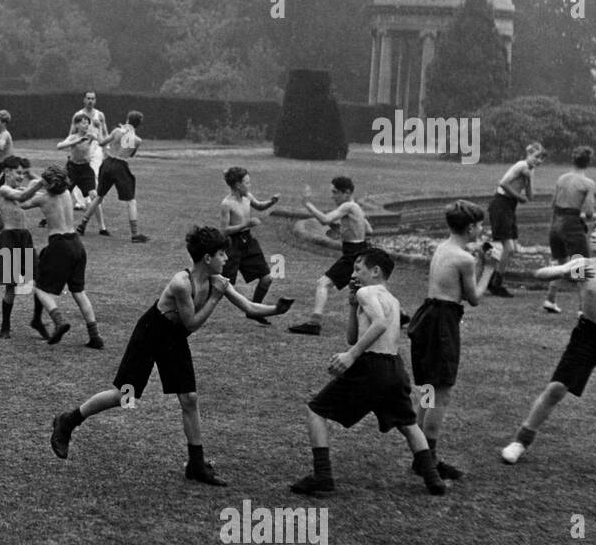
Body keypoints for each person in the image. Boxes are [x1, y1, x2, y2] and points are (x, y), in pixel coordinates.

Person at [50, 225, 293, 483]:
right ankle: (68, 421)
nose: (227, 259)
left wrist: (276, 309)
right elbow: (191, 324)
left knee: (189, 397)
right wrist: (214, 300)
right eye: (222, 254)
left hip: (173, 338)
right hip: (151, 333)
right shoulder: (181, 283)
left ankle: (196, 465)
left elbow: (249, 307)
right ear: (207, 258)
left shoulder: (216, 281)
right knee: (125, 396)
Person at [289, 248, 446, 497]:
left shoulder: (366, 291)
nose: (353, 274)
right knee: (407, 423)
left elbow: (379, 325)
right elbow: (353, 337)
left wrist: (351, 356)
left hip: (370, 366)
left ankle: (322, 476)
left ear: (375, 271)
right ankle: (433, 478)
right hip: (395, 368)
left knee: (315, 411)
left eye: (358, 269)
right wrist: (353, 306)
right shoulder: (390, 299)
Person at [501, 217, 596, 465]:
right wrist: (563, 270)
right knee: (556, 388)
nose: (593, 235)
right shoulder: (584, 267)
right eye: (593, 232)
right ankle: (520, 441)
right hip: (587, 335)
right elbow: (540, 274)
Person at [407, 200, 499, 480]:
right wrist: (490, 268)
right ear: (470, 227)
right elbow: (474, 298)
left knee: (429, 389)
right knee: (441, 391)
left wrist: (479, 258)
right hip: (443, 322)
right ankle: (428, 461)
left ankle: (423, 457)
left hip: (427, 316)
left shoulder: (444, 247)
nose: (482, 229)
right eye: (480, 225)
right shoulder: (465, 259)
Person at [7, 163, 103, 347]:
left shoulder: (43, 199)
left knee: (40, 289)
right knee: (79, 292)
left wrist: (28, 187)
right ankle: (95, 336)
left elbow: (22, 202)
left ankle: (59, 322)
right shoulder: (66, 194)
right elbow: (43, 194)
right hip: (77, 244)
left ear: (46, 183)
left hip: (59, 246)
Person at [289, 175, 372, 335]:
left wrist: (307, 204)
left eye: (335, 192)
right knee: (366, 289)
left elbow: (325, 219)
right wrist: (345, 229)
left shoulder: (348, 206)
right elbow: (369, 230)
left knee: (323, 283)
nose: (332, 196)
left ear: (346, 192)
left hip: (352, 253)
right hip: (361, 250)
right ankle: (401, 315)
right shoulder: (355, 207)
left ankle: (314, 323)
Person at [218, 166, 280, 324]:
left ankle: (254, 311)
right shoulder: (227, 204)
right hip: (232, 245)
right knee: (222, 285)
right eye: (247, 182)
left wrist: (271, 202)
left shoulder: (247, 196)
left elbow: (259, 205)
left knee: (266, 278)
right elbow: (224, 231)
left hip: (248, 242)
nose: (250, 185)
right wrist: (245, 224)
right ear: (238, 185)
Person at [79, 110, 149, 243]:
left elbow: (101, 143)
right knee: (131, 201)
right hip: (121, 166)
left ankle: (81, 225)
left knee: (99, 196)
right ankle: (134, 235)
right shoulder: (137, 140)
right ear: (139, 124)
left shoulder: (117, 131)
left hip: (108, 163)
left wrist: (98, 129)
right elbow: (131, 154)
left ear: (127, 120)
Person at [486, 142, 544, 297]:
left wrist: (529, 179)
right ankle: (495, 282)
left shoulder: (529, 170)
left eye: (540, 158)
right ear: (528, 154)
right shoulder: (520, 165)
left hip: (510, 207)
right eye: (535, 157)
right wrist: (519, 196)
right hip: (501, 204)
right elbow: (503, 183)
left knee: (512, 247)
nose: (537, 161)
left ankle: (493, 279)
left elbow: (531, 196)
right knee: (508, 247)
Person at [542, 146, 596, 314]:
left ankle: (550, 299)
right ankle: (583, 308)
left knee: (560, 262)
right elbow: (589, 212)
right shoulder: (588, 184)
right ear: (588, 162)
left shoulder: (562, 178)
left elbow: (552, 204)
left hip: (556, 222)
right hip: (571, 224)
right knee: (581, 264)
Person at [0, 156, 37, 338]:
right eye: (18, 173)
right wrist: (40, 183)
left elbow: (30, 197)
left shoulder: (19, 189)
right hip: (8, 238)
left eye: (23, 174)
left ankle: (38, 320)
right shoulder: (3, 189)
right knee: (11, 286)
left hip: (24, 237)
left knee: (39, 280)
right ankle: (5, 327)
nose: (20, 177)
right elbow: (23, 196)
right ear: (7, 172)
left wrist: (46, 183)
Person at [56, 112, 103, 226]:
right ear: (77, 125)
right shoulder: (73, 137)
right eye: (83, 123)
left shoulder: (90, 136)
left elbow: (101, 142)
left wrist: (99, 128)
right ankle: (49, 219)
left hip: (86, 169)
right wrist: (77, 141)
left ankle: (102, 227)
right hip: (72, 169)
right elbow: (59, 146)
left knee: (93, 195)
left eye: (87, 123)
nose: (86, 125)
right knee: (62, 194)